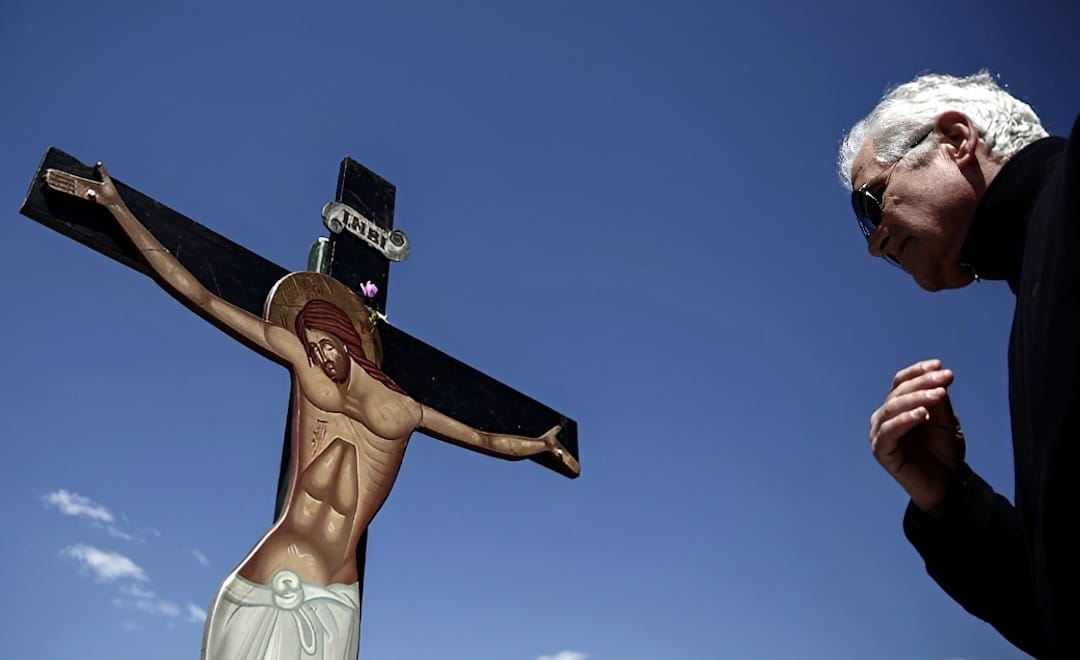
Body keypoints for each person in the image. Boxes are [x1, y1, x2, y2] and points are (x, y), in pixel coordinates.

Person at [44, 164, 580, 660]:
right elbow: (202, 296)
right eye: (312, 347)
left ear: (347, 338)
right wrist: (116, 207)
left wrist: (540, 444)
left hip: (336, 588)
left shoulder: (405, 410)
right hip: (272, 565)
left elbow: (483, 439)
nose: (320, 356)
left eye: (326, 345)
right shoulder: (306, 367)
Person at [837, 70, 1079, 659]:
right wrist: (948, 500)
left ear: (956, 139)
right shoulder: (1031, 288)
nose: (874, 243)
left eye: (872, 204)